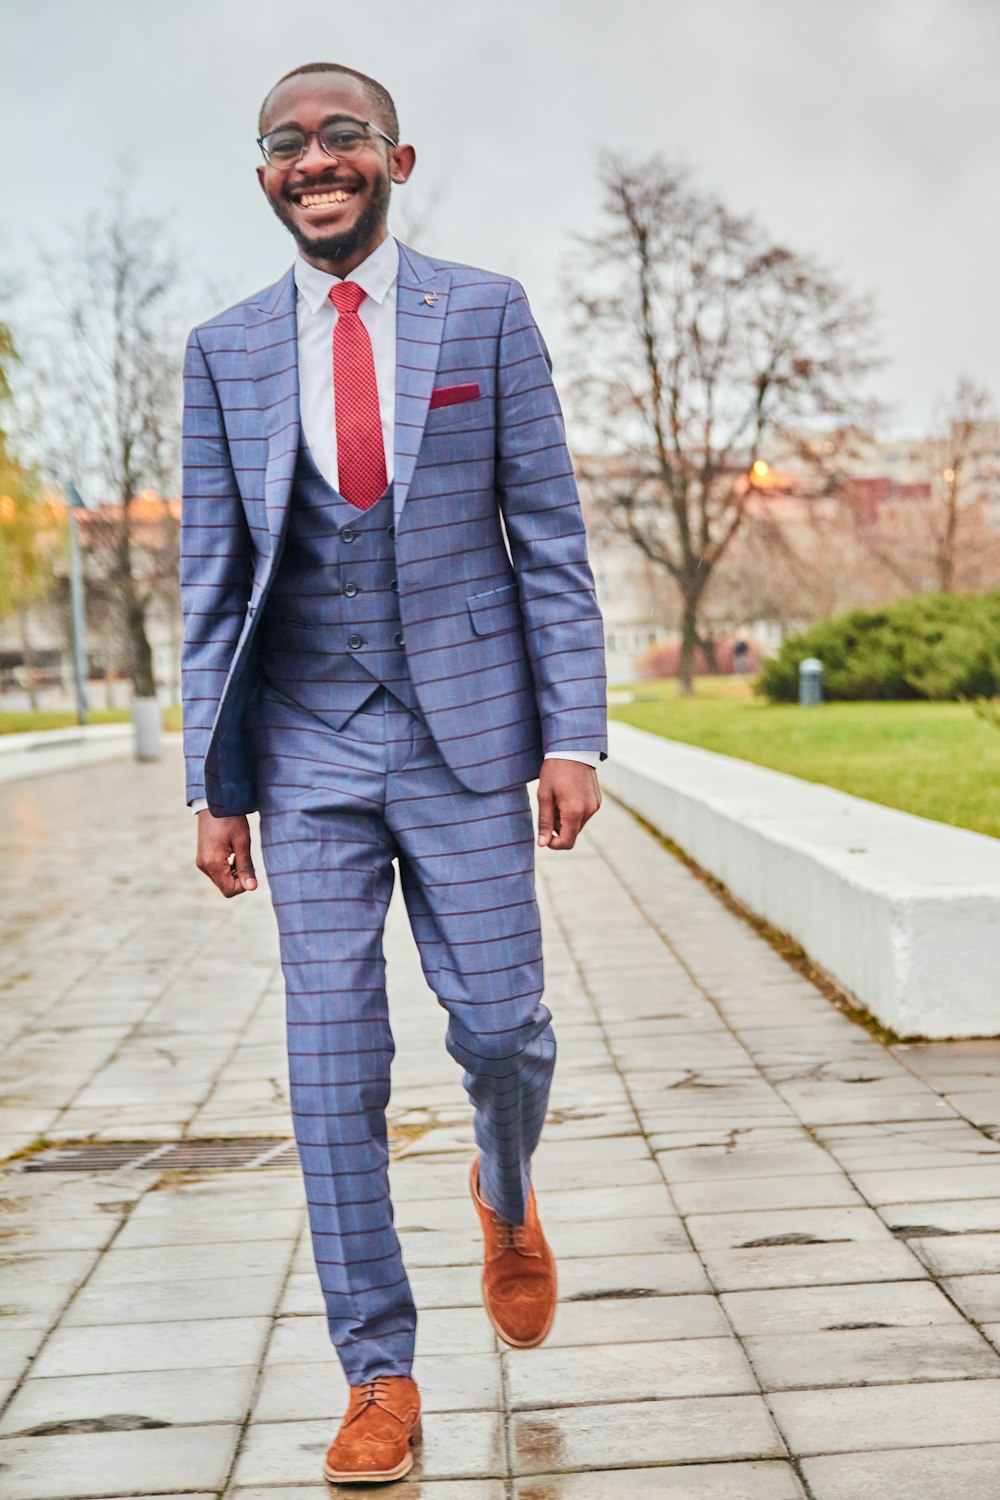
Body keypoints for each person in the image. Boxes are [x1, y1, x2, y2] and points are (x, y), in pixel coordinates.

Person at [180, 61, 606, 1486]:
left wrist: (571, 734)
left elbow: (546, 536)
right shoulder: (223, 350)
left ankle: (506, 1184)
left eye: (342, 136)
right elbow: (211, 582)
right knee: (331, 1065)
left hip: (472, 732)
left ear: (396, 159)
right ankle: (379, 1372)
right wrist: (214, 777)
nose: (317, 159)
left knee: (499, 1029)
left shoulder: (483, 311)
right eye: (289, 145)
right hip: (303, 745)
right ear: (264, 179)